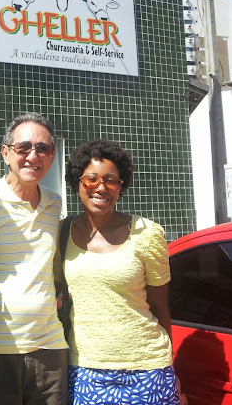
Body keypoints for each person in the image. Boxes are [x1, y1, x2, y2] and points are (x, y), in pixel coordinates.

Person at [0, 112, 68, 405]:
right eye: (24, 147)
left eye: (43, 148)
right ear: (6, 153)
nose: (33, 156)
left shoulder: (55, 204)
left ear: (52, 155)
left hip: (51, 349)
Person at [61, 139, 179, 404]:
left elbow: (161, 308)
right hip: (85, 369)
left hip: (148, 370)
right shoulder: (62, 233)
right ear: (78, 183)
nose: (101, 187)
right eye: (91, 179)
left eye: (111, 180)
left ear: (121, 185)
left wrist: (171, 367)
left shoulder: (147, 234)